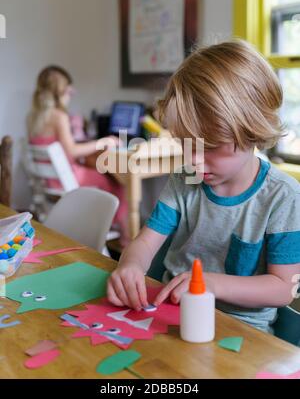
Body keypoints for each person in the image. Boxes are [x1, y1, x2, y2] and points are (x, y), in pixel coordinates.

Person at [107, 40, 300, 333]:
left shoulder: (282, 197)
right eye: (186, 144)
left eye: (210, 147)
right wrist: (129, 266)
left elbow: (282, 289)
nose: (194, 161)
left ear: (253, 132)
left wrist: (209, 282)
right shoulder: (185, 179)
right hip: (173, 315)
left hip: (242, 331)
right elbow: (146, 241)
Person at [27, 65, 129, 247]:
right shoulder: (58, 116)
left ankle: (111, 227)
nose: (71, 91)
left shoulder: (34, 116)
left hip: (50, 182)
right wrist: (103, 142)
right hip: (66, 179)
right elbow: (72, 151)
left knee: (103, 173)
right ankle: (125, 236)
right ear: (61, 90)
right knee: (117, 182)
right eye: (68, 87)